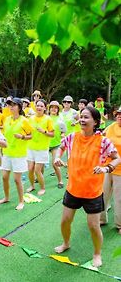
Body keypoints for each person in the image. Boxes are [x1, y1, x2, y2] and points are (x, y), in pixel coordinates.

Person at [54, 106, 121, 267]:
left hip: (92, 192)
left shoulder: (103, 141)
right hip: (73, 190)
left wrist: (106, 168)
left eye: (86, 117)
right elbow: (60, 147)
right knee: (65, 221)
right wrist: (57, 157)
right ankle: (66, 243)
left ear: (96, 122)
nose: (82, 120)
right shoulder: (72, 137)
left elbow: (117, 158)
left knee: (93, 225)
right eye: (81, 117)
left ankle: (97, 254)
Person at [0, 98, 33, 210]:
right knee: (4, 177)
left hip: (19, 154)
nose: (11, 107)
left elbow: (30, 135)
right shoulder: (7, 119)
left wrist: (22, 136)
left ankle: (21, 201)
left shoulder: (24, 121)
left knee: (17, 179)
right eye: (9, 105)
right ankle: (6, 197)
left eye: (13, 105)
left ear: (19, 107)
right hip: (7, 152)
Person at [100, 107, 121, 234]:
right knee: (102, 194)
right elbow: (102, 138)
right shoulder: (111, 127)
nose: (119, 116)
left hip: (120, 170)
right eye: (118, 114)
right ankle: (101, 219)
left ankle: (120, 225)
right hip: (108, 167)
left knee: (119, 198)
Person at [27, 99, 54, 195]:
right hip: (30, 147)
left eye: (41, 106)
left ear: (45, 108)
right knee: (30, 169)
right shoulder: (31, 118)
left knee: (37, 170)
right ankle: (32, 186)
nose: (39, 107)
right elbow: (28, 132)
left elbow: (52, 134)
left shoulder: (48, 119)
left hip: (42, 148)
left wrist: (44, 131)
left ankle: (42, 188)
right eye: (37, 105)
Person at [48, 101, 66, 188]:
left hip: (56, 144)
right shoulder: (46, 118)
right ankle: (39, 178)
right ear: (49, 108)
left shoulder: (60, 119)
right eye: (52, 107)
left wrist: (62, 135)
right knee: (40, 164)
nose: (53, 109)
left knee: (55, 163)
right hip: (45, 144)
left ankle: (60, 181)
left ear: (58, 109)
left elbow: (63, 132)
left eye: (55, 107)